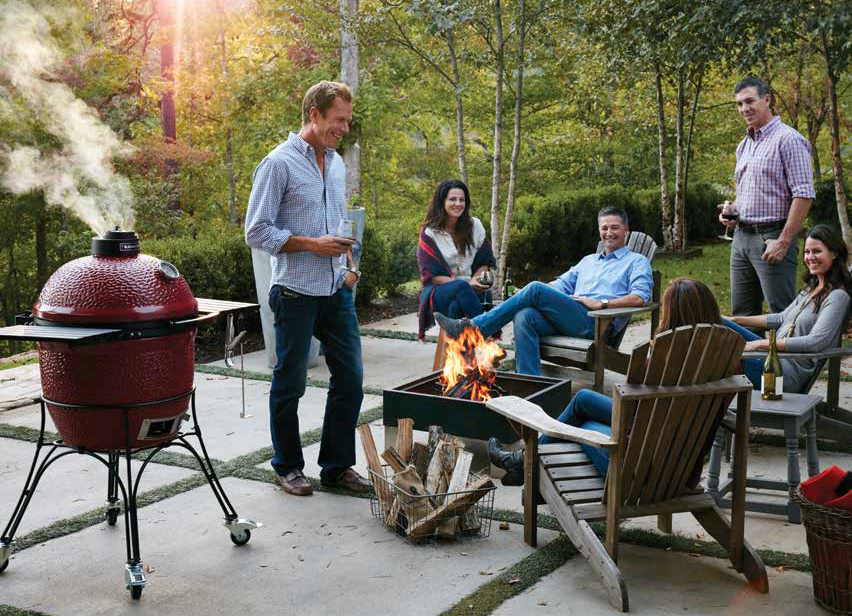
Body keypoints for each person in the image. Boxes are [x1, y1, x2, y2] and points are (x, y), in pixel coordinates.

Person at [244, 80, 370, 497]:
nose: (344, 130)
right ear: (314, 114)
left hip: (336, 290)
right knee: (290, 383)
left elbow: (337, 223)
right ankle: (287, 467)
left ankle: (335, 467)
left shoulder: (336, 164)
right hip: (295, 291)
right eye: (339, 120)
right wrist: (312, 245)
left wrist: (349, 265)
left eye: (348, 122)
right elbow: (256, 231)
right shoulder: (277, 164)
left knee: (350, 380)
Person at [489, 278, 723, 484]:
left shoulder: (663, 361)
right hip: (682, 468)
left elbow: (633, 412)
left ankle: (523, 464)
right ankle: (522, 463)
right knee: (583, 401)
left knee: (580, 425)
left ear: (672, 316)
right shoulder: (727, 359)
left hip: (635, 469)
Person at [435, 206, 653, 375]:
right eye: (604, 228)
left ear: (626, 230)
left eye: (614, 227)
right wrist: (524, 295)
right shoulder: (588, 261)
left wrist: (602, 304)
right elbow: (558, 286)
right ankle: (532, 385)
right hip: (569, 316)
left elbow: (641, 297)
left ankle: (473, 329)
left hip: (595, 323)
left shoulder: (636, 261)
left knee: (535, 289)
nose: (608, 232)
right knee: (525, 315)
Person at [720, 76, 815, 316]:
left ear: (767, 99)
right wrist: (733, 211)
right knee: (742, 315)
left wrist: (783, 242)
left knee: (781, 313)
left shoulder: (789, 140)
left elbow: (803, 195)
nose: (744, 109)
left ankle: (786, 356)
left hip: (772, 237)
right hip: (741, 238)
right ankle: (751, 355)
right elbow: (748, 191)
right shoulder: (744, 144)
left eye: (750, 101)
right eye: (739, 104)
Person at [723, 224, 852, 393]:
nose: (810, 257)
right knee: (716, 320)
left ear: (834, 253)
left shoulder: (837, 296)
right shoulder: (811, 288)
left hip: (783, 372)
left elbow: (816, 342)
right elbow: (781, 318)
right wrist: (733, 320)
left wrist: (759, 344)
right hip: (772, 356)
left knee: (720, 356)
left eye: (817, 251)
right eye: (807, 252)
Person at [417, 179, 496, 341]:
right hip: (440, 290)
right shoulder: (430, 233)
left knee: (456, 307)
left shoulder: (475, 226)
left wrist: (475, 279)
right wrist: (467, 284)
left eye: (462, 200)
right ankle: (487, 339)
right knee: (460, 287)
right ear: (442, 202)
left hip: (473, 289)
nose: (458, 204)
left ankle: (459, 362)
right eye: (452, 199)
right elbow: (432, 276)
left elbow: (484, 260)